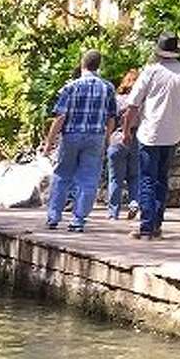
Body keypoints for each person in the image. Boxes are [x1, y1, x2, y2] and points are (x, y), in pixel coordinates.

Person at [124, 34, 180, 239]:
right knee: (162, 179)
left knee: (147, 179)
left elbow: (133, 105)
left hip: (150, 132)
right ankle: (156, 224)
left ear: (159, 52)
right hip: (173, 133)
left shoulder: (151, 71)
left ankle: (146, 227)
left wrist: (126, 129)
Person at [43, 49, 116, 232]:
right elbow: (111, 117)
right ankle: (78, 220)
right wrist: (107, 139)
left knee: (62, 174)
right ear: (98, 65)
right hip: (96, 136)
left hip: (71, 135)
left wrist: (49, 142)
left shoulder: (70, 87)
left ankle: (53, 217)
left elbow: (59, 117)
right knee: (88, 178)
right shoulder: (108, 88)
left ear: (82, 64)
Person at [106, 69, 140, 220]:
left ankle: (114, 213)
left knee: (115, 178)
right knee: (135, 176)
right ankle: (134, 203)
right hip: (137, 139)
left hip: (117, 139)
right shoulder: (142, 101)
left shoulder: (116, 99)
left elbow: (110, 121)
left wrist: (107, 139)